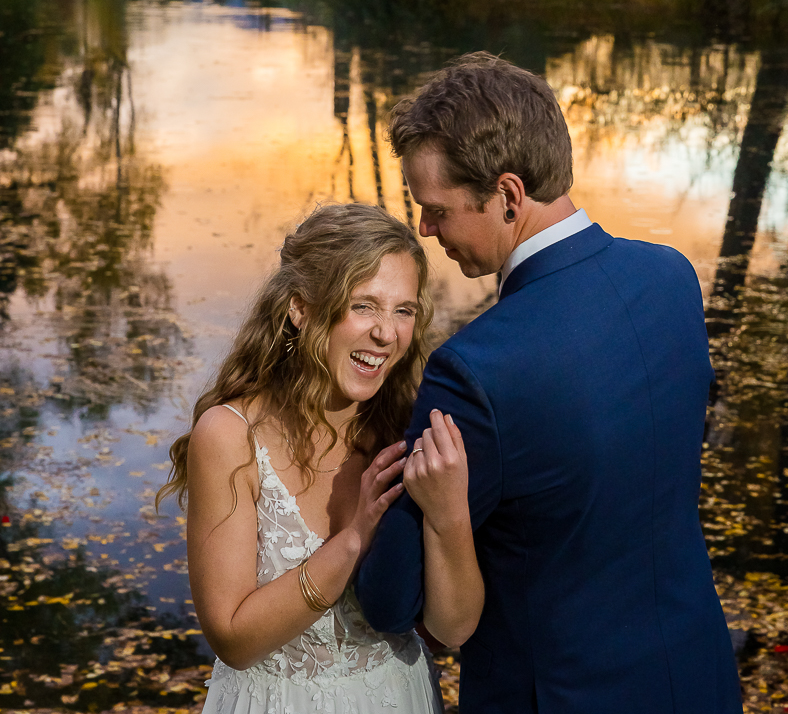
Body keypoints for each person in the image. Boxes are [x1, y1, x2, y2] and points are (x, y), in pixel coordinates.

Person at [356, 53, 744, 714]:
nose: (424, 228)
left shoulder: (475, 370)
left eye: (437, 209)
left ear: (508, 195)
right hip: (696, 673)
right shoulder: (670, 278)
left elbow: (393, 597)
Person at [158, 203, 483, 714]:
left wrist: (450, 514)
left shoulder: (407, 428)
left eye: (403, 310)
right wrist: (352, 540)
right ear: (300, 308)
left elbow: (453, 628)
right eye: (364, 305)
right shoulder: (229, 436)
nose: (386, 333)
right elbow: (234, 640)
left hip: (401, 696)